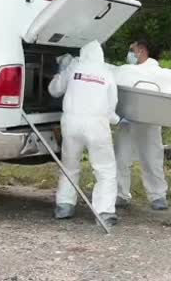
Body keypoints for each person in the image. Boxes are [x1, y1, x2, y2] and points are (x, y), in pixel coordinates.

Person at [48, 40, 120, 227]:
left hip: (71, 122)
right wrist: (115, 120)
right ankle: (104, 212)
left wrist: (60, 72)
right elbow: (111, 105)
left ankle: (64, 205)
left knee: (70, 164)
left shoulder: (74, 68)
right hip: (97, 124)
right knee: (104, 168)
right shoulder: (107, 73)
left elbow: (54, 91)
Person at [114, 39, 169, 211]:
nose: (130, 53)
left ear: (141, 50)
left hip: (149, 121)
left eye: (132, 50)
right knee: (121, 158)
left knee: (151, 158)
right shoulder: (128, 70)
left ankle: (158, 195)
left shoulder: (157, 72)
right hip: (126, 121)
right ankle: (121, 194)